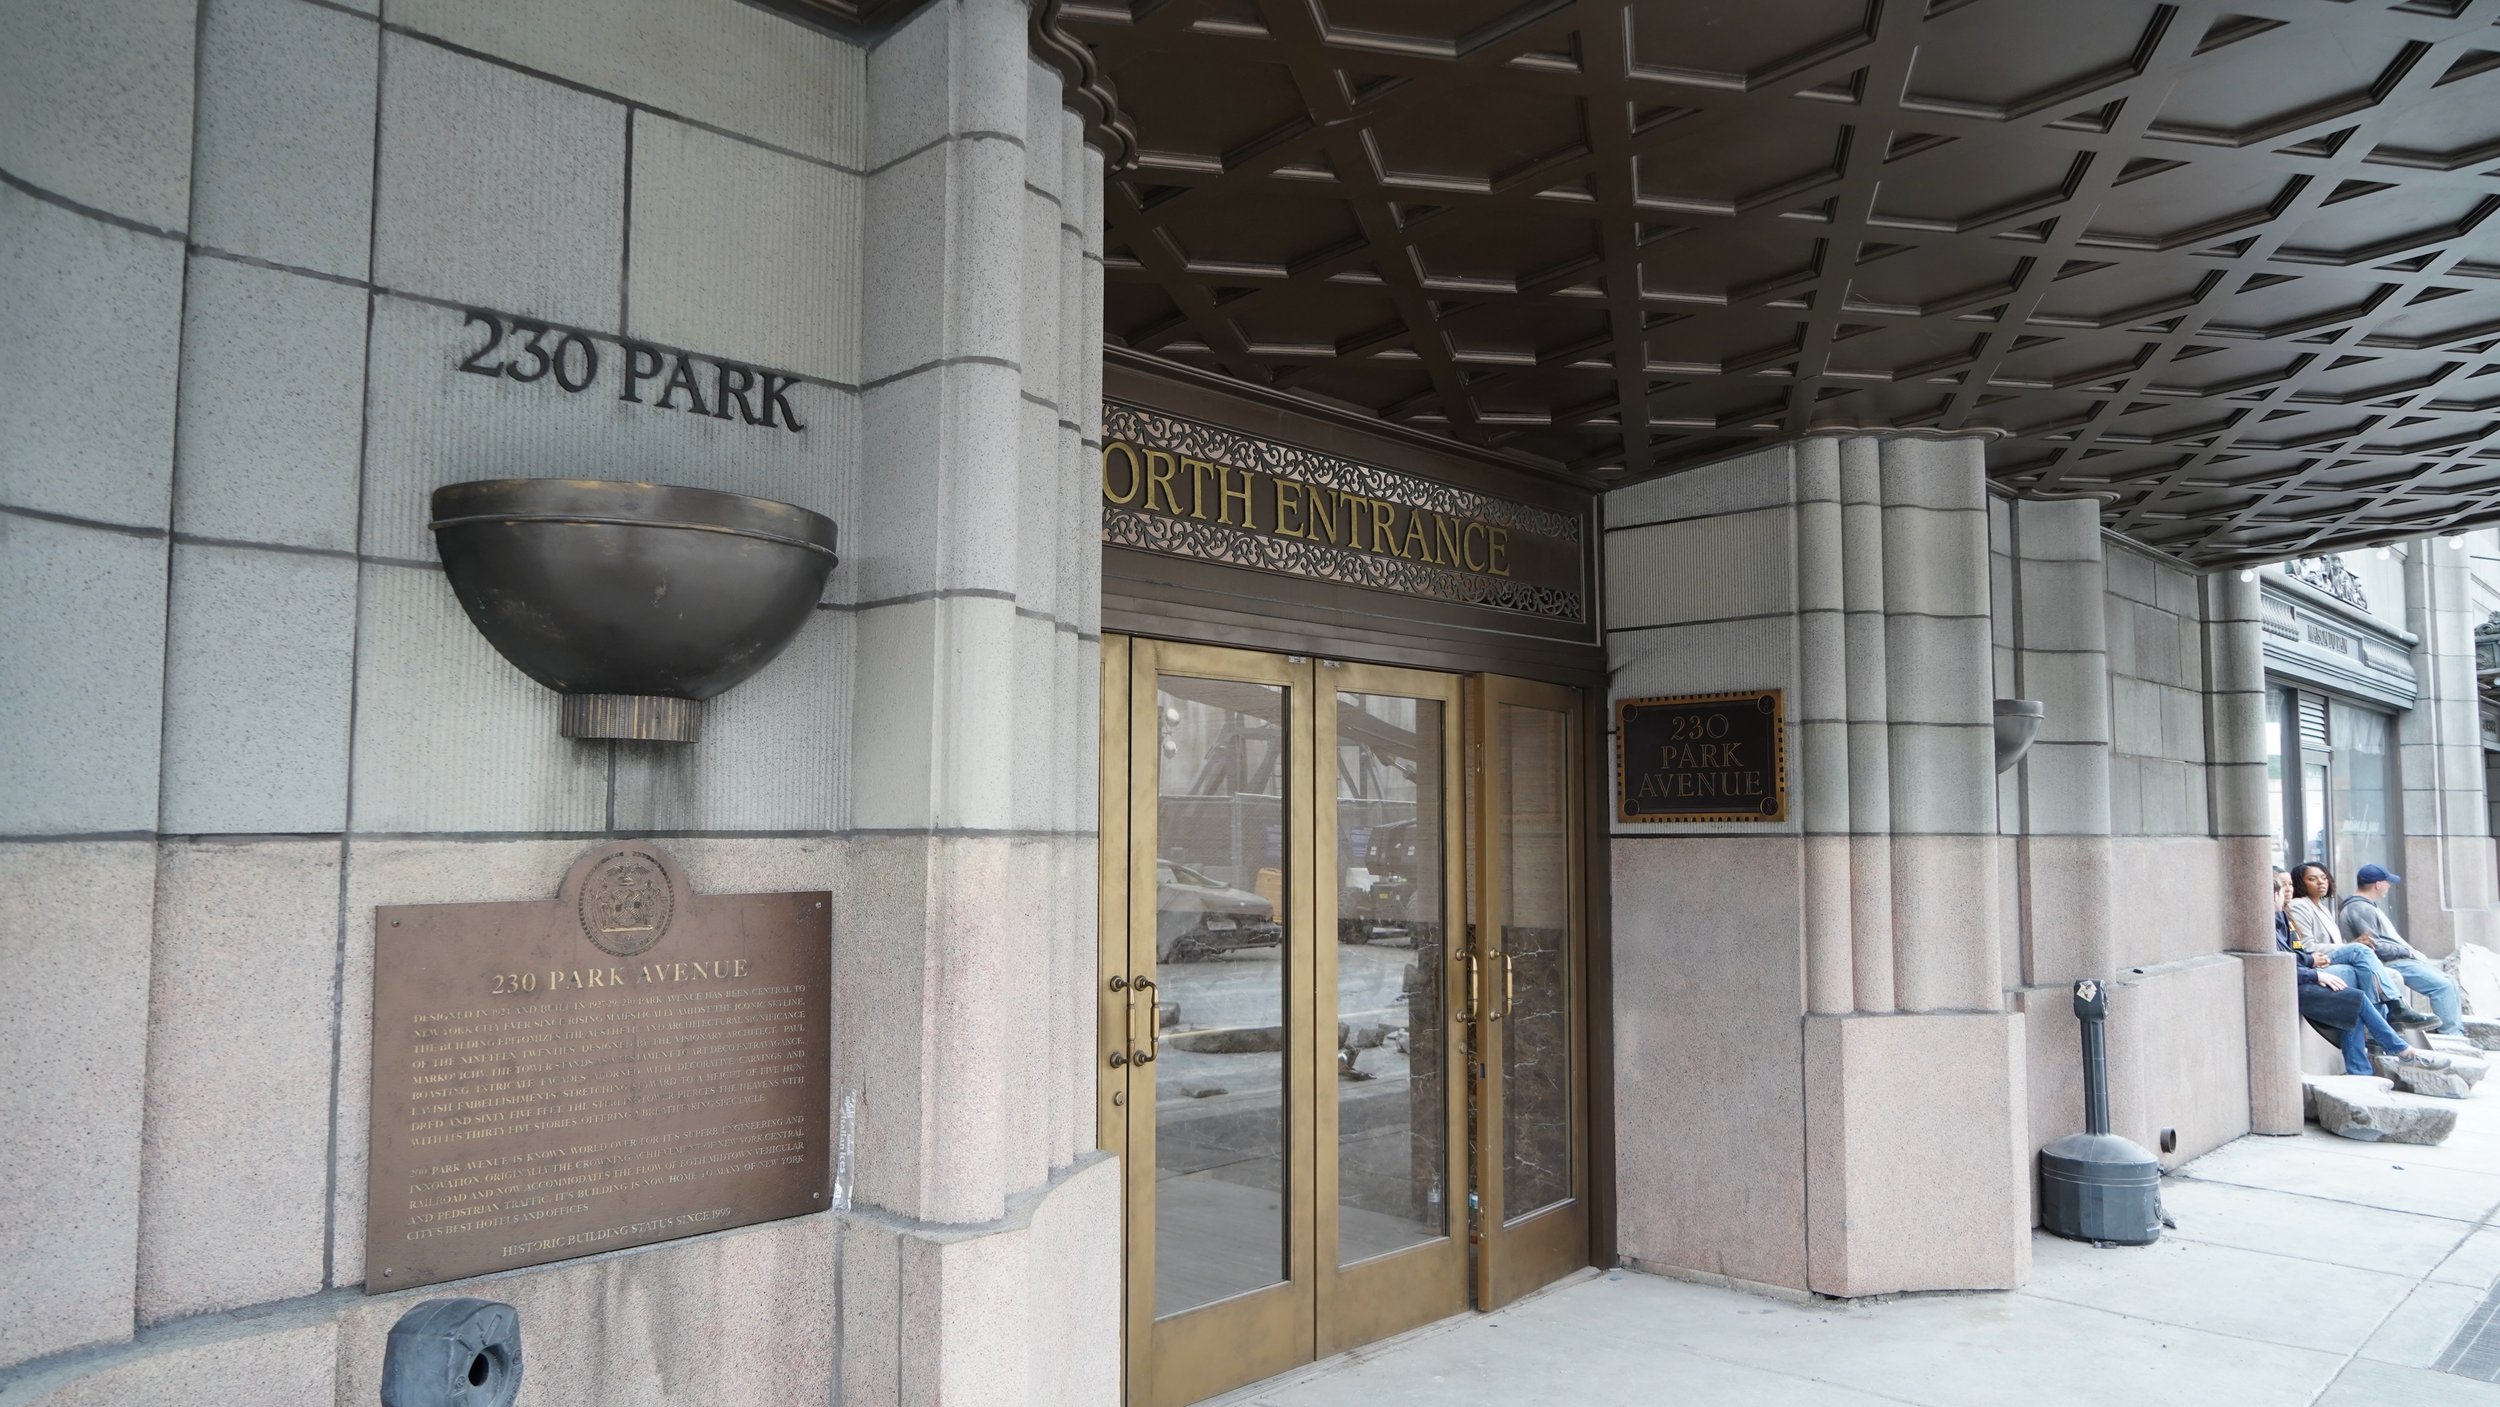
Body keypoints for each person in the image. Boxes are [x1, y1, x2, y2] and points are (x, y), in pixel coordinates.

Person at [2274, 868, 2442, 1077]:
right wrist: (2315, 970)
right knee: (2358, 960)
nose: (2288, 890)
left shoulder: (2289, 914)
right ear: (2273, 894)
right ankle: (2396, 1033)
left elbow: (2295, 954)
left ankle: (2361, 1070)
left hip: (2307, 972)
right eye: (2283, 887)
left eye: (2324, 878)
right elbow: (2286, 961)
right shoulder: (2287, 913)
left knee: (2353, 993)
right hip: (2297, 981)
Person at [2286, 863, 2435, 1028]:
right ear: (2301, 883)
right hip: (2316, 962)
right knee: (2360, 950)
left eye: (2324, 877)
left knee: (2392, 975)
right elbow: (2308, 947)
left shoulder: (2323, 908)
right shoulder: (2299, 905)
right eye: (2312, 879)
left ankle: (2388, 1020)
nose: (2321, 882)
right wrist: (2350, 946)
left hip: (2332, 959)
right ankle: (2393, 1011)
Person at [2340, 864, 2464, 1036]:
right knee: (2442, 986)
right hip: (2389, 963)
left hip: (2394, 960)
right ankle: (2452, 1035)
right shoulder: (2359, 907)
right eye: (2387, 882)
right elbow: (2373, 946)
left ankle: (2454, 1032)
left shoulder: (2365, 906)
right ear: (2378, 884)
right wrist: (2407, 952)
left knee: (2449, 982)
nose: (2389, 886)